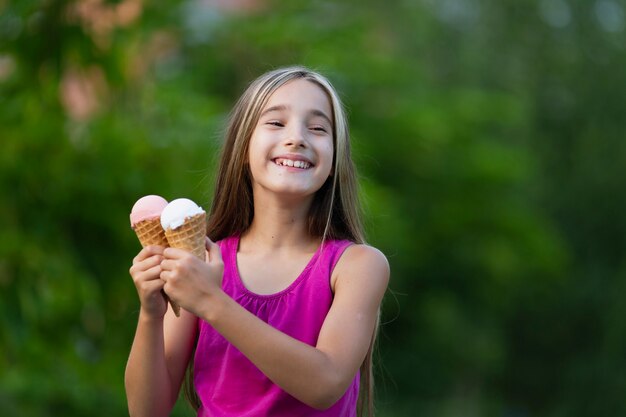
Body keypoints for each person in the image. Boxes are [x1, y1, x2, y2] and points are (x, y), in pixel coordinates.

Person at [125, 66, 390, 417]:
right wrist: (150, 314)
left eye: (318, 128)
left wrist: (210, 301)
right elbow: (147, 410)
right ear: (242, 146)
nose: (297, 138)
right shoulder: (202, 259)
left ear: (334, 162)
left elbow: (325, 384)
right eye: (276, 123)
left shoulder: (358, 266)